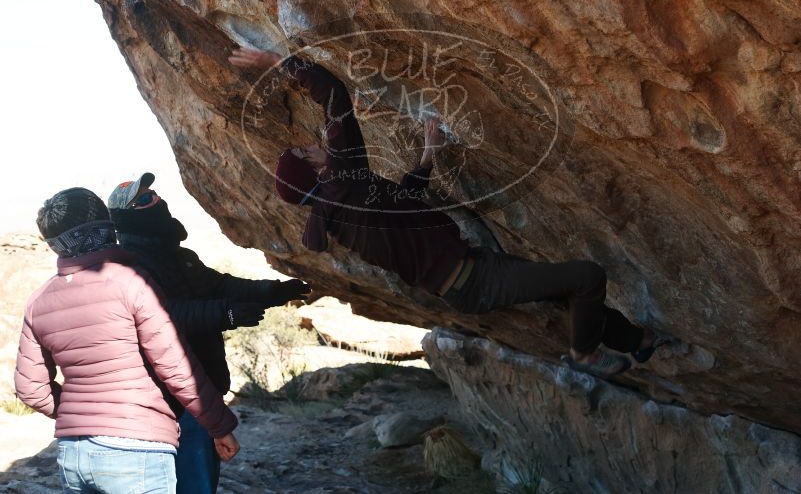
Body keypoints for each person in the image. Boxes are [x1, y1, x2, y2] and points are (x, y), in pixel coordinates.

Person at [229, 47, 661, 378]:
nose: (317, 144)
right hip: (478, 279)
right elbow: (335, 96)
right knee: (588, 278)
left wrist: (427, 157)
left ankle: (637, 341)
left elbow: (402, 206)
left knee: (565, 291)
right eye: (309, 150)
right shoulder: (343, 184)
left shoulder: (339, 211)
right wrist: (276, 60)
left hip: (465, 281)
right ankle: (584, 354)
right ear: (317, 171)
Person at [14, 188, 240, 494]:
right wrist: (220, 426)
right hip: (136, 450)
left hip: (73, 455)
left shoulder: (39, 300)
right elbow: (176, 366)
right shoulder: (131, 283)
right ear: (104, 226)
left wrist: (80, 413)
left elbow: (30, 389)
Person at [106, 173, 309, 494]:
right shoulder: (130, 266)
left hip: (200, 388)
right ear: (127, 217)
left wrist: (275, 292)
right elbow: (162, 314)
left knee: (198, 481)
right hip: (166, 395)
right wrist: (225, 313)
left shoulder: (179, 257)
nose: (156, 202)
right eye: (144, 200)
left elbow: (219, 285)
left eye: (154, 194)